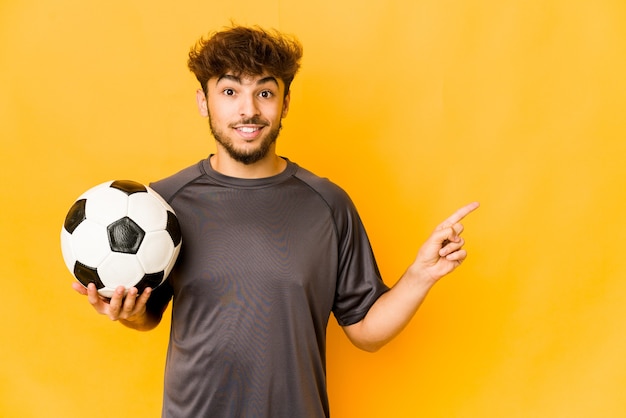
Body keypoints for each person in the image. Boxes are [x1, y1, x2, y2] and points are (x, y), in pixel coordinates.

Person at [72, 25, 479, 418]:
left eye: (264, 92)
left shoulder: (327, 203)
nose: (248, 109)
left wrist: (420, 274)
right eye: (230, 91)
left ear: (284, 103)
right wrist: (128, 313)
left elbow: (365, 331)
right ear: (203, 102)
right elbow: (150, 315)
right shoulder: (161, 206)